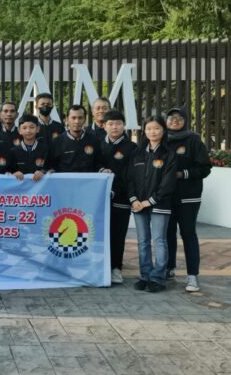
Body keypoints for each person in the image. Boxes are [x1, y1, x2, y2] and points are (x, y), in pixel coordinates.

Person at [127, 115, 177, 293]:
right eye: (149, 128)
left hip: (160, 205)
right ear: (144, 131)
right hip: (138, 205)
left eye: (156, 128)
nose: (152, 132)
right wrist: (134, 200)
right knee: (142, 242)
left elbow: (168, 183)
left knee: (159, 241)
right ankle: (145, 276)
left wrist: (149, 201)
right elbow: (130, 179)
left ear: (163, 130)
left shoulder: (169, 154)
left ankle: (158, 278)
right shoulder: (137, 153)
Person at [165, 107, 212, 293]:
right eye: (171, 118)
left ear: (185, 120)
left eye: (179, 118)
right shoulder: (161, 139)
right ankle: (169, 268)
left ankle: (192, 275)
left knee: (188, 234)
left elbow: (205, 168)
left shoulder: (193, 140)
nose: (175, 121)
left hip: (188, 197)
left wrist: (182, 174)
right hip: (167, 197)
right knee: (167, 233)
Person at [101, 110, 138, 285]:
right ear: (104, 126)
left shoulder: (132, 148)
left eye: (118, 123)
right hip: (100, 199)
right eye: (110, 124)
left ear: (124, 126)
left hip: (121, 198)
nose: (114, 127)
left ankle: (116, 268)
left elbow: (132, 175)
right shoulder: (98, 144)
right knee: (100, 233)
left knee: (118, 234)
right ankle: (102, 267)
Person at [48, 105, 105, 173]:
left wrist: (103, 170)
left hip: (87, 179)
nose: (77, 121)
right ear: (67, 119)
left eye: (80, 118)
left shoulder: (94, 140)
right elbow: (52, 165)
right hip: (65, 179)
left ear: (85, 120)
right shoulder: (57, 142)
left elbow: (98, 163)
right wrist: (51, 170)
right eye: (73, 118)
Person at [11, 114, 49, 181]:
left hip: (40, 186)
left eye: (32, 127)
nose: (28, 131)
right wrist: (14, 173)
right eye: (24, 128)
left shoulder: (45, 149)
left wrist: (43, 172)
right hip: (20, 186)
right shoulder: (13, 151)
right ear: (19, 130)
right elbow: (8, 171)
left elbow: (51, 167)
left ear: (37, 129)